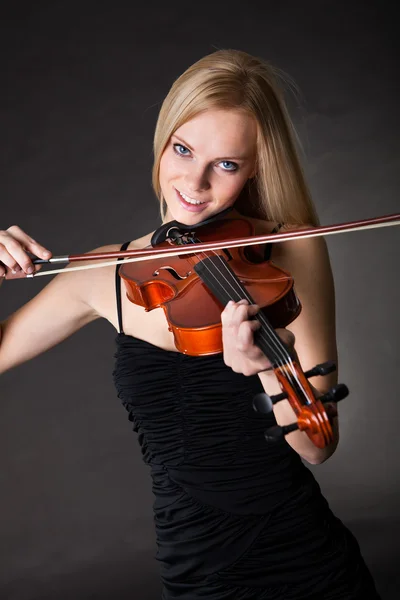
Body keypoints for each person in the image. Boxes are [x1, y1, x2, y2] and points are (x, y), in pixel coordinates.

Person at [0, 49, 380, 599]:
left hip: (302, 561)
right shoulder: (106, 271)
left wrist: (269, 368)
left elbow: (318, 446)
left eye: (226, 164)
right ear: (162, 142)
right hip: (192, 567)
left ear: (253, 169)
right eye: (183, 150)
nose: (195, 183)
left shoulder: (285, 250)